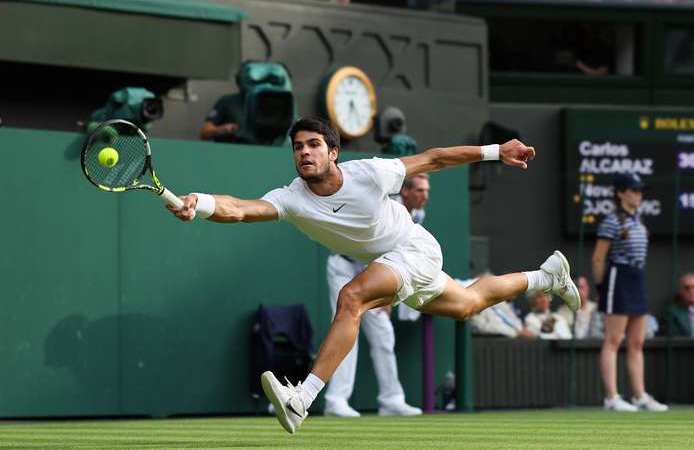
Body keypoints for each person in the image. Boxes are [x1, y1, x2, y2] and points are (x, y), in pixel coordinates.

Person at [167, 117, 579, 435]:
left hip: (414, 249)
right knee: (468, 304)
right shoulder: (292, 197)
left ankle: (302, 398)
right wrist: (198, 203)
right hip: (392, 263)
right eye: (297, 147)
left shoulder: (369, 172)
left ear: (333, 152)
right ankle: (546, 276)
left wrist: (495, 151)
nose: (304, 153)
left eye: (314, 145)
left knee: (352, 298)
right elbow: (239, 208)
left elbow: (434, 159)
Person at [322, 175, 431, 418]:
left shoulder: (419, 215)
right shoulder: (386, 208)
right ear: (406, 192)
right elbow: (373, 246)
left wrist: (388, 292)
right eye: (420, 190)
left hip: (373, 271)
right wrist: (385, 290)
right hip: (345, 266)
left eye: (427, 190)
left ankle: (391, 399)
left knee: (383, 334)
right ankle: (335, 400)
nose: (425, 196)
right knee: (347, 329)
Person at [592, 172, 668, 412]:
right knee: (613, 341)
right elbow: (598, 258)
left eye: (639, 190)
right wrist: (602, 288)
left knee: (636, 343)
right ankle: (611, 397)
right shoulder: (611, 221)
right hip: (618, 277)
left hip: (637, 278)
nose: (638, 194)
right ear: (620, 193)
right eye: (634, 190)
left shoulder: (639, 221)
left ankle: (639, 396)